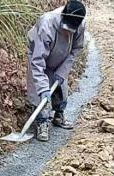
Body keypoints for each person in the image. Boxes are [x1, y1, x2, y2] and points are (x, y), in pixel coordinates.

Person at [26, 1, 87, 141]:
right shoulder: (47, 23)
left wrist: (62, 71)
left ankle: (59, 115)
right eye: (66, 28)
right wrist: (42, 89)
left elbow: (75, 50)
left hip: (62, 58)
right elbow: (37, 61)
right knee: (38, 92)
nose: (68, 32)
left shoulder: (80, 25)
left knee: (60, 88)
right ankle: (41, 121)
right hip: (39, 55)